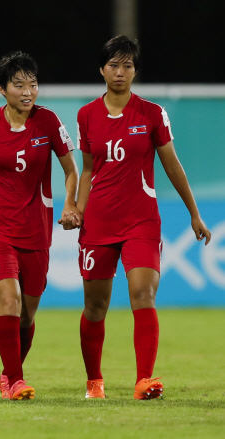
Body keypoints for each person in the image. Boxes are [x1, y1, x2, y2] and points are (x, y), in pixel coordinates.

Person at [73, 36, 211, 400]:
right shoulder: (86, 115)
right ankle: (94, 382)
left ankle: (144, 380)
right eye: (114, 65)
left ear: (135, 70)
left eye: (128, 65)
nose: (120, 72)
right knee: (95, 305)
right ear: (102, 69)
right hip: (99, 222)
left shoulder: (151, 113)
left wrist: (194, 214)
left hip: (141, 221)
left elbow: (172, 165)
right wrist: (76, 209)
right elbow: (88, 171)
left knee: (143, 293)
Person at [0, 52, 80, 401]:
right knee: (9, 301)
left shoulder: (48, 122)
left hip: (36, 229)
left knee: (27, 317)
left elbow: (72, 171)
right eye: (19, 85)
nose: (28, 91)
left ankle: (8, 374)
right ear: (2, 89)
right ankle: (15, 381)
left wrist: (70, 203)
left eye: (32, 84)